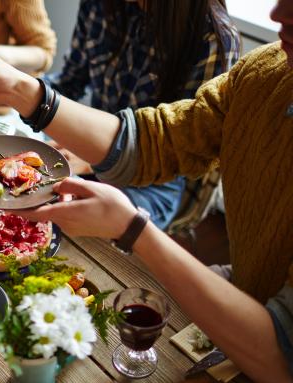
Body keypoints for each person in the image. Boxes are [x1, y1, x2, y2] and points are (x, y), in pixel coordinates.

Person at [0, 0, 293, 383]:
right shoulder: (267, 70)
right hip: (241, 288)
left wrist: (132, 228)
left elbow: (279, 358)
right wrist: (22, 90)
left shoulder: (213, 37)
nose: (277, 13)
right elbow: (158, 140)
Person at [45, 0, 239, 230]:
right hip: (87, 148)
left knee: (74, 228)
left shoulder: (213, 39)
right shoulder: (98, 5)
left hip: (153, 183)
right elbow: (69, 81)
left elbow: (183, 153)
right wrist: (22, 91)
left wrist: (96, 158)